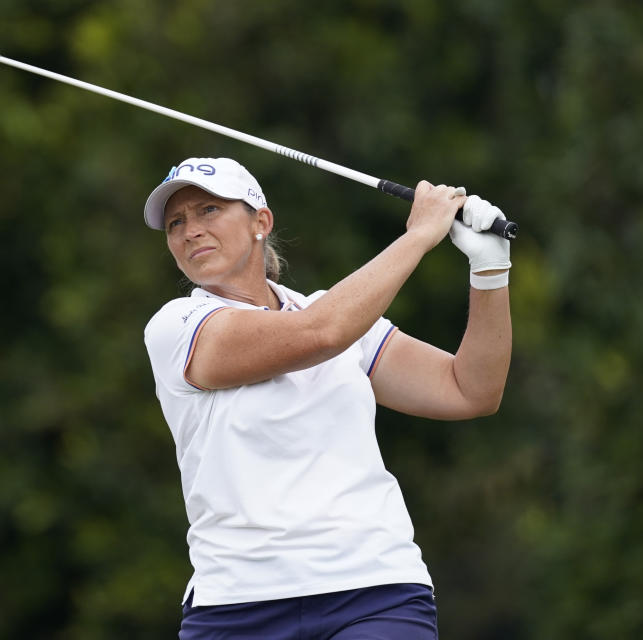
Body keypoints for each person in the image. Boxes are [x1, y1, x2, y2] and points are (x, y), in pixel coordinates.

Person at [142, 157, 511, 640]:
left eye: (208, 210)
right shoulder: (177, 328)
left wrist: (490, 270)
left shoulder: (332, 315)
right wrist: (420, 234)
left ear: (261, 221)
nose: (190, 230)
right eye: (175, 222)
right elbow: (321, 334)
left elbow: (470, 390)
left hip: (374, 591)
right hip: (237, 607)